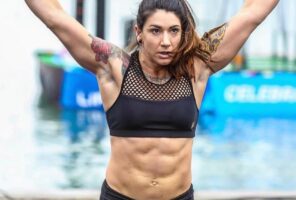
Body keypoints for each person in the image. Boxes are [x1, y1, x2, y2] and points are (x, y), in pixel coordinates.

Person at [25, 0, 279, 199]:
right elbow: (54, 17)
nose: (166, 41)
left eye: (174, 31)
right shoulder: (114, 66)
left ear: (182, 33)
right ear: (139, 31)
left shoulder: (197, 67)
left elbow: (253, 13)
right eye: (156, 31)